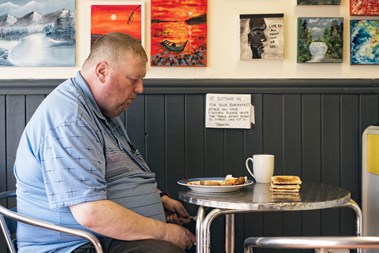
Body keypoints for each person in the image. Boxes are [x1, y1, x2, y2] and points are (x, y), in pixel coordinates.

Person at [13, 32, 196, 253]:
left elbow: (116, 174)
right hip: (77, 244)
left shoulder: (102, 112)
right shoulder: (71, 119)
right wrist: (165, 232)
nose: (140, 89)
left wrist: (159, 199)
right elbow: (91, 213)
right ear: (102, 71)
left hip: (103, 238)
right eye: (133, 80)